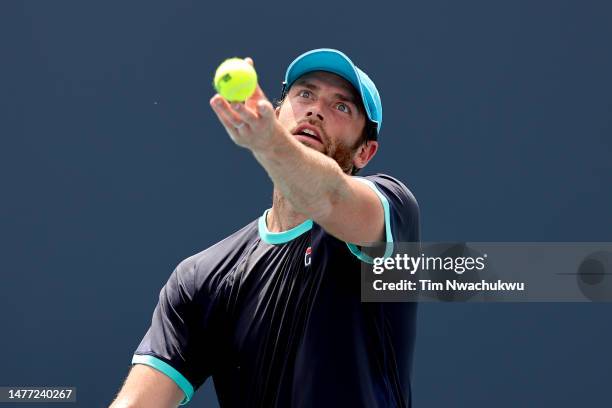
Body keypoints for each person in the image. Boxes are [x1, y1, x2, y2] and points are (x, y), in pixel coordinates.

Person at [110, 48, 420, 408]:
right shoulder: (200, 279)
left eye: (342, 107)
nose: (316, 109)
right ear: (277, 113)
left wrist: (271, 143)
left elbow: (331, 197)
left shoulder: (392, 209)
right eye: (305, 94)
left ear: (365, 153)